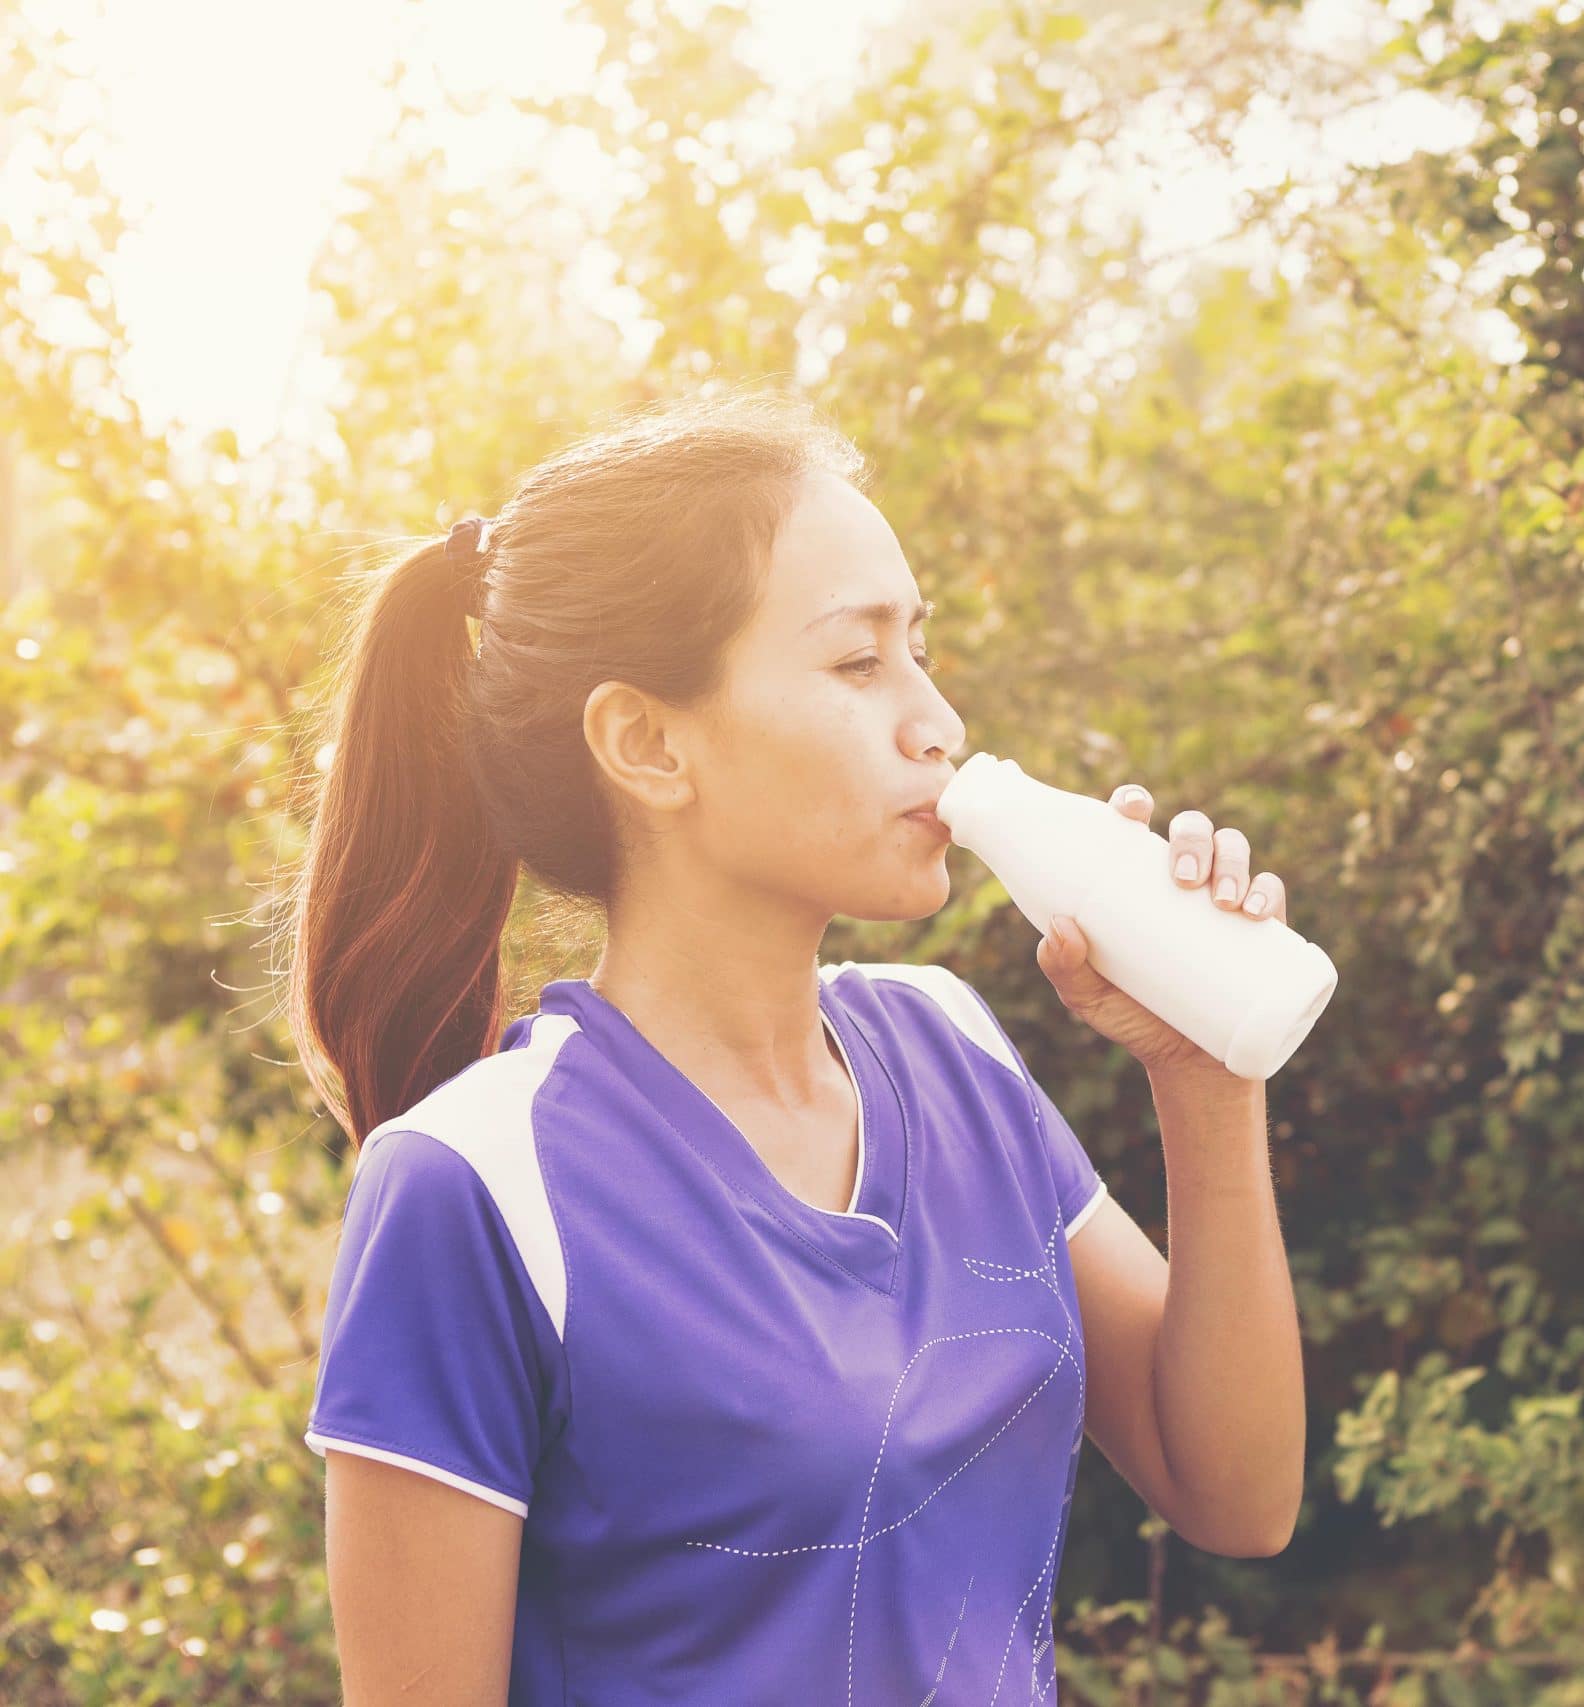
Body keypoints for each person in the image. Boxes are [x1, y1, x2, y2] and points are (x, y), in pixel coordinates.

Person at [285, 386, 1306, 1705]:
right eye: (856, 661)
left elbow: (1234, 1491)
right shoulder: (476, 1189)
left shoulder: (951, 1049)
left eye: (919, 649)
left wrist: (1205, 1079)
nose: (934, 720)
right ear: (647, 743)